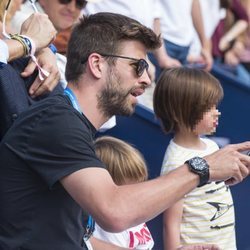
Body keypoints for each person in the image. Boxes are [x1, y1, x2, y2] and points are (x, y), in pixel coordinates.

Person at [0, 12, 249, 250]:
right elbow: (114, 211)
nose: (147, 79)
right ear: (97, 65)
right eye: (138, 66)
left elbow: (78, 238)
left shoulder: (70, 120)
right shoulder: (56, 121)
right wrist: (203, 168)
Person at [153, 67, 237, 249]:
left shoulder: (212, 146)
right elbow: (171, 223)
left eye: (215, 106)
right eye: (208, 108)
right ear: (179, 112)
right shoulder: (176, 161)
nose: (217, 112)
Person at [92, 136, 154, 250]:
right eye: (131, 188)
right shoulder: (109, 226)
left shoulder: (132, 210)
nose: (138, 192)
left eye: (140, 184)